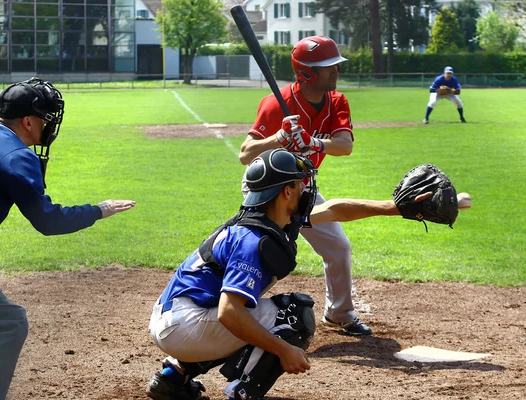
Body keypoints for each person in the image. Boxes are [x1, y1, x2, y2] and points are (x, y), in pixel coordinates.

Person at [145, 149, 435, 400]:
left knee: (255, 316)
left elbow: (334, 210)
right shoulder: (253, 240)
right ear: (286, 192)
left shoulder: (269, 217)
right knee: (292, 315)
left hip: (177, 319)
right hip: (187, 325)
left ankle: (173, 376)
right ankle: (242, 391)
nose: (306, 190)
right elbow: (229, 314)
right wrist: (283, 349)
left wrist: (395, 208)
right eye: (300, 184)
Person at [0, 77, 136, 400]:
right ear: (27, 122)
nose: (48, 125)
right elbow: (48, 220)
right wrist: (99, 210)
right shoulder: (16, 155)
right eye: (44, 118)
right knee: (8, 322)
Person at [238, 36, 372, 336]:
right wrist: (278, 139)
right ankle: (235, 314)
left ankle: (340, 313)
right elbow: (245, 154)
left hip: (302, 189)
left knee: (337, 246)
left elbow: (344, 145)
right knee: (268, 257)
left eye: (336, 65)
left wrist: (314, 143)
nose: (336, 72)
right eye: (329, 68)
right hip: (267, 193)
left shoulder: (337, 100)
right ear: (307, 73)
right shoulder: (275, 104)